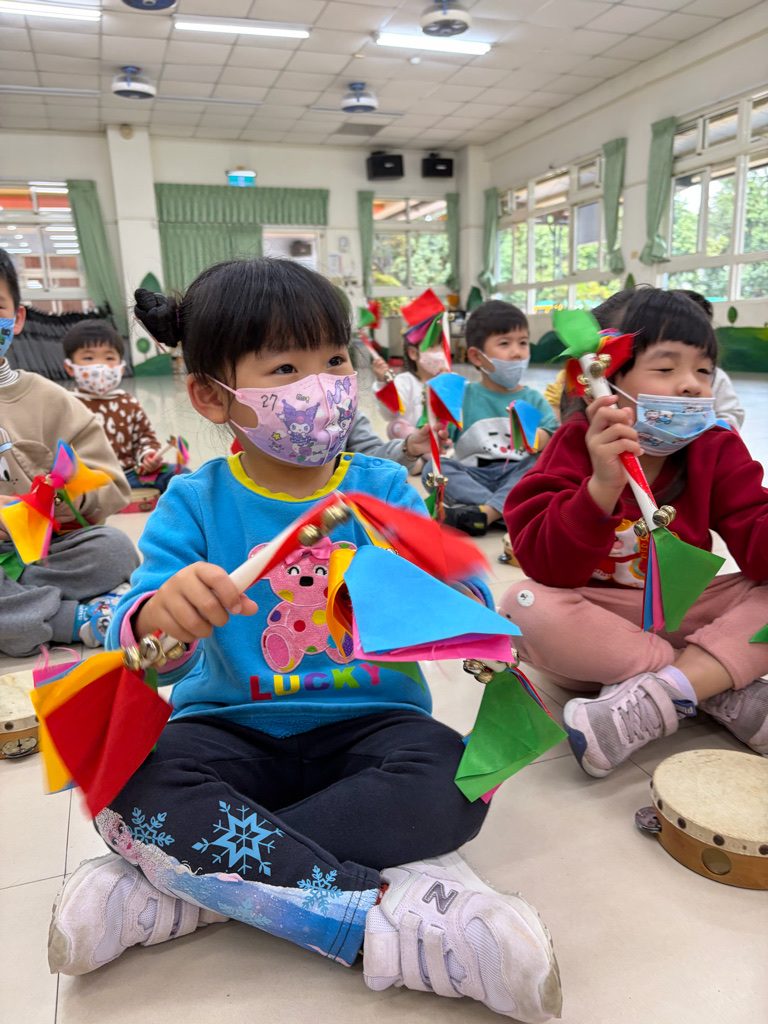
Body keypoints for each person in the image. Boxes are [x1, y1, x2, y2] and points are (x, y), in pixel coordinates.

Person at [47, 258, 561, 1024]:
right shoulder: (194, 501)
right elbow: (146, 644)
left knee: (460, 777)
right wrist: (161, 618)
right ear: (210, 396)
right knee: (128, 781)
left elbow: (461, 597)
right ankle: (375, 919)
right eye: (286, 368)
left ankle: (187, 888)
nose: (322, 386)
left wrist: (457, 608)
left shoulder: (383, 489)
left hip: (373, 728)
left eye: (335, 360)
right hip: (228, 730)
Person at [499, 288, 768, 778]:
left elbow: (756, 541)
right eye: (665, 368)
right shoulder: (574, 445)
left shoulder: (716, 447)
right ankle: (706, 682)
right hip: (599, 629)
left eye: (704, 370)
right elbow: (547, 568)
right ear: (602, 381)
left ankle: (660, 695)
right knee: (523, 607)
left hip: (682, 612)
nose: (691, 385)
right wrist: (601, 487)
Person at [0, 249, 138, 654]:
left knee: (113, 549)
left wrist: (68, 498)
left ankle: (22, 615)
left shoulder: (50, 400)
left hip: (47, 552)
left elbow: (112, 486)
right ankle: (74, 618)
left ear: (17, 318)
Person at [423, 300, 558, 536]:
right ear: (476, 357)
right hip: (474, 475)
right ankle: (508, 511)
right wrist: (441, 398)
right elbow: (436, 433)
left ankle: (484, 514)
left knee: (540, 465)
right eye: (504, 343)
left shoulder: (533, 398)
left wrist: (534, 435)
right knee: (432, 469)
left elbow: (553, 437)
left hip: (517, 473)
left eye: (523, 342)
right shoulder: (463, 396)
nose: (517, 352)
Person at [63, 319, 190, 493]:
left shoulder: (129, 403)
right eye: (88, 358)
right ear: (70, 367)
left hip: (128, 476)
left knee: (180, 475)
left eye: (109, 358)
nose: (100, 366)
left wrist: (148, 456)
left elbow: (145, 437)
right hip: (84, 480)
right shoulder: (66, 403)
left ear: (121, 368)